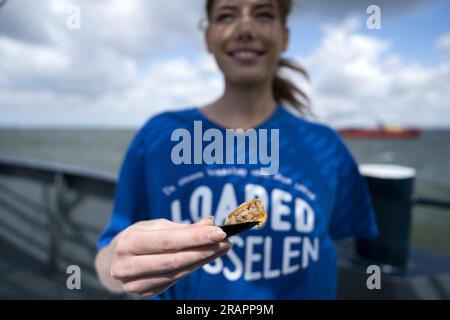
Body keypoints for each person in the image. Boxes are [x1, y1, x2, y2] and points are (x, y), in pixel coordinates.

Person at [95, 0, 378, 299]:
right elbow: (107, 268)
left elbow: (343, 245)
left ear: (285, 37)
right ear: (208, 37)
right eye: (227, 15)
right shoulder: (159, 136)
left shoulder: (327, 148)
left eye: (263, 14)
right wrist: (120, 260)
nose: (245, 28)